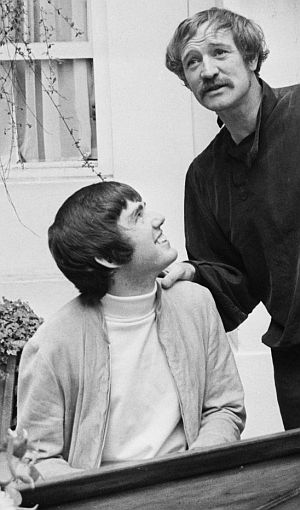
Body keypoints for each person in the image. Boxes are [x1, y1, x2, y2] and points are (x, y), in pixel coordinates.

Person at [16, 181, 245, 479]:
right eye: (137, 216)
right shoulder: (52, 345)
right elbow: (36, 458)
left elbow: (224, 408)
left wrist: (194, 472)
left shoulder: (196, 304)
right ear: (108, 257)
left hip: (194, 486)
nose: (158, 218)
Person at [164, 7, 300, 430]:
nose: (207, 71)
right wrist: (193, 275)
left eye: (220, 52)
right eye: (192, 62)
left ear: (252, 58)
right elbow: (230, 279)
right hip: (295, 355)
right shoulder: (204, 176)